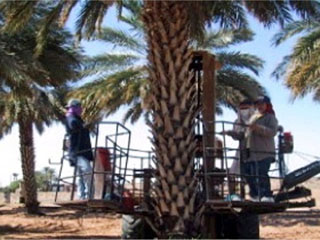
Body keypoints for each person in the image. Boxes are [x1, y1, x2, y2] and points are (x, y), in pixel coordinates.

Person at [244, 96, 278, 202]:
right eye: (258, 104)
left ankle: (267, 195)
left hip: (265, 152)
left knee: (262, 173)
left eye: (262, 104)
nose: (260, 106)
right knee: (249, 173)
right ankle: (254, 195)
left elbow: (272, 132)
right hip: (252, 152)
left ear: (267, 105)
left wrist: (259, 128)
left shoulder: (270, 117)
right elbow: (246, 133)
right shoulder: (253, 117)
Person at [224, 99, 255, 200]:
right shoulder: (237, 122)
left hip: (253, 150)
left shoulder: (257, 120)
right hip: (241, 150)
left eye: (246, 108)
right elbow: (238, 135)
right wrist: (230, 133)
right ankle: (233, 195)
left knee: (252, 174)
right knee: (233, 173)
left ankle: (252, 195)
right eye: (242, 109)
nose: (244, 111)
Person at [65, 99, 94, 200]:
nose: (81, 109)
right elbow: (72, 124)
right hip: (78, 152)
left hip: (82, 151)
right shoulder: (71, 117)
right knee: (87, 171)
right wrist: (83, 126)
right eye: (79, 106)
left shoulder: (77, 118)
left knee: (81, 176)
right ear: (74, 107)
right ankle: (90, 197)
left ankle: (82, 197)